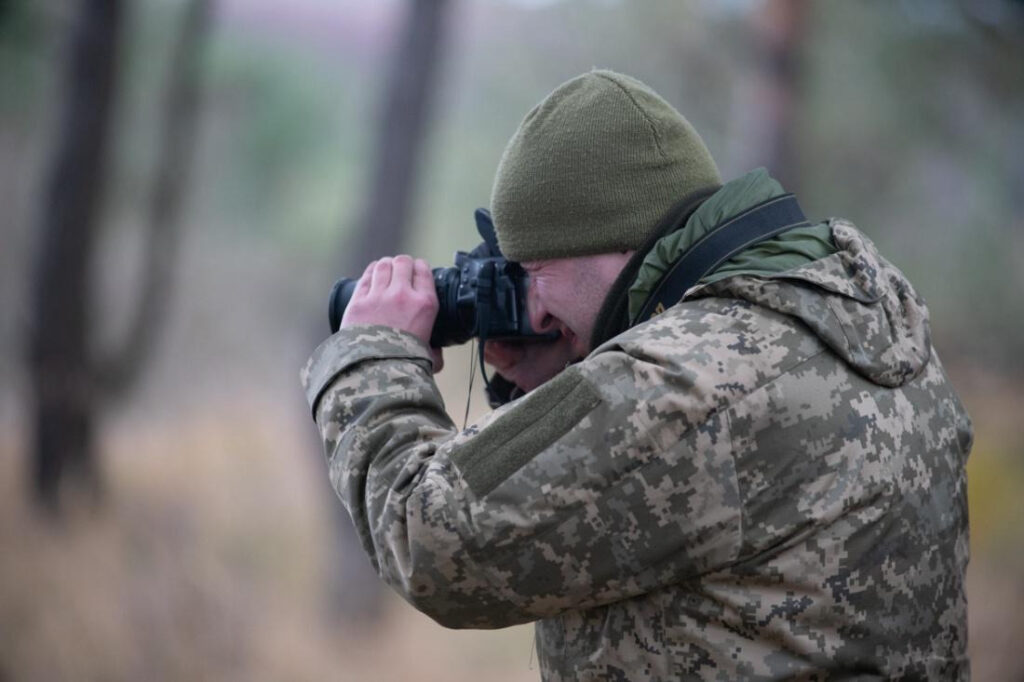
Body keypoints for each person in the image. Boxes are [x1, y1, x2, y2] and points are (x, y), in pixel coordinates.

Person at [301, 70, 972, 680]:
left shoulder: (683, 382)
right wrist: (557, 368)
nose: (532, 307)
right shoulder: (848, 310)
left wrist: (375, 354)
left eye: (533, 270)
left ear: (615, 241)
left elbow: (430, 537)